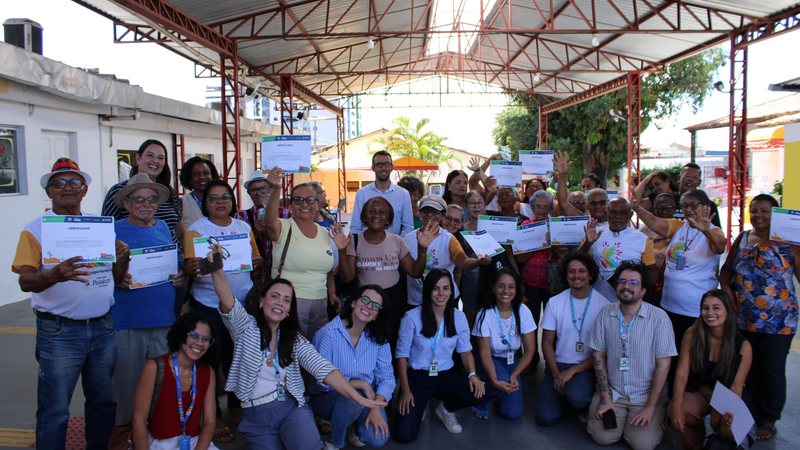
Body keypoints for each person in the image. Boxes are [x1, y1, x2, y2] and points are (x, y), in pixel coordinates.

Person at [206, 246, 385, 450]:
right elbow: (227, 299)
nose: (280, 303)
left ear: (290, 310)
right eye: (274, 296)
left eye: (286, 300)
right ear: (262, 301)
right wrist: (217, 269)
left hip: (291, 408)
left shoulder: (294, 338)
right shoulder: (245, 328)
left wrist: (358, 398)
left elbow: (324, 368)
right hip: (257, 417)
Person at [13, 158, 128, 449]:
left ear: (84, 190)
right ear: (49, 191)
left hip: (103, 327)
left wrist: (123, 259)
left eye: (75, 182)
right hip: (59, 332)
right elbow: (26, 281)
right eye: (59, 182)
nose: (68, 187)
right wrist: (53, 275)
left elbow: (115, 279)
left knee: (103, 402)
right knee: (55, 410)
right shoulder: (35, 229)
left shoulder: (98, 226)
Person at [109, 173, 187, 439]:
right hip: (128, 321)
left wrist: (180, 274)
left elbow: (173, 261)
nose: (146, 204)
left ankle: (153, 437)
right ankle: (124, 436)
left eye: (152, 199)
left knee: (161, 385)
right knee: (127, 387)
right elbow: (100, 270)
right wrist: (115, 277)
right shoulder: (113, 230)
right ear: (127, 203)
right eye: (139, 199)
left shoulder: (163, 227)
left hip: (163, 320)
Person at [183, 179, 261, 441]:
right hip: (208, 304)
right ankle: (212, 415)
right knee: (209, 361)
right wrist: (202, 266)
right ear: (205, 203)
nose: (220, 202)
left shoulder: (243, 227)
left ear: (232, 201)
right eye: (213, 198)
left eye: (225, 197)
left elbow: (256, 257)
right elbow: (191, 267)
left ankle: (237, 404)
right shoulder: (196, 230)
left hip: (242, 304)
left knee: (238, 356)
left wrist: (255, 261)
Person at [719, 193, 799, 440]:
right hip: (744, 318)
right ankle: (749, 413)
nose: (758, 215)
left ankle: (768, 418)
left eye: (765, 211)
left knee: (772, 370)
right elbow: (726, 270)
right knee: (747, 367)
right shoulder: (743, 238)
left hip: (780, 320)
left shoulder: (788, 241)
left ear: (775, 214)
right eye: (754, 210)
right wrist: (728, 294)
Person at [587, 261, 676, 450]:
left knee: (642, 445)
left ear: (643, 291)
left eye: (634, 283)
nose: (626, 286)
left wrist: (650, 406)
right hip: (614, 393)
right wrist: (606, 398)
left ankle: (655, 418)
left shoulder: (659, 318)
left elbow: (664, 366)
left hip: (645, 396)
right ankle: (620, 420)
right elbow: (598, 356)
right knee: (602, 438)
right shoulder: (605, 313)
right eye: (622, 281)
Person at [394, 269, 486, 443]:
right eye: (435, 288)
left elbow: (465, 351)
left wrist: (472, 375)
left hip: (445, 375)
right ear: (428, 291)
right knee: (404, 435)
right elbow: (401, 355)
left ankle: (445, 409)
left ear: (452, 291)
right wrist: (405, 389)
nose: (441, 293)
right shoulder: (411, 317)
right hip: (418, 378)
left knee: (478, 392)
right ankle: (421, 406)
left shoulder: (459, 317)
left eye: (445, 288)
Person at [332, 196, 435, 345]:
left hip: (392, 303)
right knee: (365, 342)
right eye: (371, 211)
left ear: (388, 219)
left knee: (391, 342)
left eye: (382, 212)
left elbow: (415, 272)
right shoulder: (354, 240)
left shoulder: (397, 241)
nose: (376, 215)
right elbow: (348, 277)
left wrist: (423, 248)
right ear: (364, 216)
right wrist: (341, 251)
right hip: (365, 303)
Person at [633, 190, 726, 347]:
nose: (688, 209)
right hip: (669, 305)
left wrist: (706, 230)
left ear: (706, 207)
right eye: (684, 206)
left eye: (693, 205)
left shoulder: (714, 231)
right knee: (670, 350)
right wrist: (636, 207)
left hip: (695, 310)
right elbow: (654, 222)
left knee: (693, 353)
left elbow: (720, 247)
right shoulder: (679, 226)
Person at [311, 285, 396, 449]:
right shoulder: (328, 334)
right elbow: (320, 382)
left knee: (378, 438)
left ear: (377, 315)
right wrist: (359, 383)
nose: (369, 306)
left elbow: (387, 378)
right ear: (353, 303)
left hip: (366, 395)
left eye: (376, 306)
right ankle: (336, 443)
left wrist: (376, 407)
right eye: (365, 300)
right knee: (351, 403)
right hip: (327, 397)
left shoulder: (379, 338)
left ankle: (354, 426)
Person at [669, 290, 752, 450]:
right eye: (705, 308)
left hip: (727, 397)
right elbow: (681, 373)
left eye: (716, 308)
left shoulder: (743, 345)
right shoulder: (692, 334)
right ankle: (695, 443)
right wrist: (677, 404)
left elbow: (736, 387)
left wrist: (727, 416)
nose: (710, 313)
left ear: (727, 312)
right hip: (700, 392)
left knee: (727, 428)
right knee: (680, 409)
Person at [536, 252, 612, 426]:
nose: (576, 275)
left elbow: (603, 351)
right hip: (558, 365)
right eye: (571, 271)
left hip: (586, 367)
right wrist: (556, 374)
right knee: (545, 418)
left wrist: (572, 371)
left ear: (590, 275)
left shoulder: (604, 305)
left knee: (578, 398)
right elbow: (546, 343)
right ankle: (564, 398)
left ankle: (577, 400)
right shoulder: (555, 302)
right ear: (565, 275)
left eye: (582, 271)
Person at [263, 167, 338, 340]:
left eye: (310, 199)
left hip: (320, 303)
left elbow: (327, 270)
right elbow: (269, 222)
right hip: (290, 302)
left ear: (317, 204)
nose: (304, 204)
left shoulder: (324, 233)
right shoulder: (284, 226)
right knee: (291, 349)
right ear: (290, 206)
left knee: (315, 350)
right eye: (298, 200)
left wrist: (332, 294)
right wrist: (276, 189)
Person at [131, 312, 220, 450]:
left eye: (206, 339)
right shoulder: (154, 367)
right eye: (194, 336)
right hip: (159, 443)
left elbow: (210, 422)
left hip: (194, 441)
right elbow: (139, 419)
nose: (199, 343)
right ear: (181, 334)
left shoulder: (208, 372)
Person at [403, 195, 492, 308]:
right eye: (426, 210)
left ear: (442, 215)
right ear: (420, 213)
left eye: (435, 211)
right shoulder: (408, 238)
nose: (430, 214)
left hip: (444, 299)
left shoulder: (449, 239)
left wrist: (478, 261)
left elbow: (463, 262)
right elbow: (411, 271)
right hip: (417, 299)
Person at [471, 269, 537, 420]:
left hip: (512, 361)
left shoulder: (523, 311)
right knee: (500, 379)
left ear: (516, 289)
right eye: (501, 286)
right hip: (490, 359)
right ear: (493, 288)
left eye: (511, 286)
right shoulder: (484, 314)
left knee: (512, 413)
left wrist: (515, 374)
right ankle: (483, 399)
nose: (506, 291)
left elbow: (530, 350)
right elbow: (485, 354)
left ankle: (497, 392)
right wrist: (494, 380)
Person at [102, 140, 182, 244]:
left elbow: (180, 229)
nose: (155, 161)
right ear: (138, 158)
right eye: (150, 155)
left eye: (160, 157)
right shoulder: (118, 191)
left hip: (171, 252)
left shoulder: (170, 193)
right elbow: (106, 228)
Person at [579, 197, 657, 282]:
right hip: (598, 287)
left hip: (628, 288)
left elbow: (651, 271)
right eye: (613, 212)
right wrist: (587, 243)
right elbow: (577, 260)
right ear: (606, 213)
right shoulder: (594, 233)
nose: (617, 217)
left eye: (623, 213)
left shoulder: (642, 239)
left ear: (630, 215)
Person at [235, 170, 291, 276]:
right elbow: (238, 249)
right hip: (256, 275)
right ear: (249, 193)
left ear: (272, 189)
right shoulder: (241, 217)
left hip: (283, 273)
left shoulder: (286, 214)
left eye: (264, 188)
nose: (259, 193)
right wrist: (255, 233)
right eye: (254, 190)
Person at [350, 151, 414, 236]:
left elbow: (408, 227)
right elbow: (356, 227)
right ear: (373, 168)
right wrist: (357, 243)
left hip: (394, 244)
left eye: (387, 164)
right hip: (367, 243)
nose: (383, 168)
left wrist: (398, 243)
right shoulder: (362, 193)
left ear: (392, 167)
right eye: (379, 165)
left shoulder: (403, 194)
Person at [516, 190, 554, 329]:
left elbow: (563, 255)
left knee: (553, 323)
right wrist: (537, 243)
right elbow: (520, 258)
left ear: (550, 208)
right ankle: (532, 345)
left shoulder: (555, 226)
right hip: (530, 282)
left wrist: (554, 244)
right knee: (531, 321)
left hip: (552, 283)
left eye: (545, 206)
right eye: (538, 206)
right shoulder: (525, 226)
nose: (541, 210)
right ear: (532, 207)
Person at [675, 163, 721, 227]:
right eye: (687, 176)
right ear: (679, 178)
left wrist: (707, 230)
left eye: (695, 177)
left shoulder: (708, 205)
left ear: (699, 182)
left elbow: (717, 231)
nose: (690, 179)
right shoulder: (668, 200)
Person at [180, 157, 220, 227]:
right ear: (190, 179)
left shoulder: (223, 201)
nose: (202, 177)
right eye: (196, 174)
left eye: (206, 173)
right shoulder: (182, 203)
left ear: (212, 176)